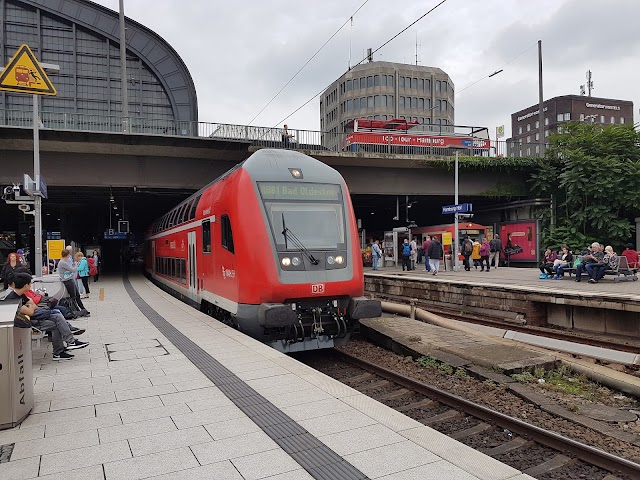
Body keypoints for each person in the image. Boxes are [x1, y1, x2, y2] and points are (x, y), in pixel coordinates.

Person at [4, 272, 88, 360]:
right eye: (30, 283)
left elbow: (34, 306)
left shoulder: (21, 295)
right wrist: (30, 306)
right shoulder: (13, 299)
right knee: (57, 320)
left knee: (57, 317)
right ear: (25, 285)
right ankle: (63, 348)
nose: (31, 285)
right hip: (27, 324)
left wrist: (30, 306)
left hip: (34, 319)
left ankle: (65, 346)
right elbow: (31, 312)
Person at [58, 249, 89, 315]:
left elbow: (70, 270)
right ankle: (77, 311)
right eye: (69, 254)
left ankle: (83, 309)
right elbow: (73, 270)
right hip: (68, 281)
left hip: (69, 280)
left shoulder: (63, 262)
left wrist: (70, 270)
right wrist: (76, 264)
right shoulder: (63, 262)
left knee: (77, 295)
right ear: (67, 255)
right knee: (73, 296)